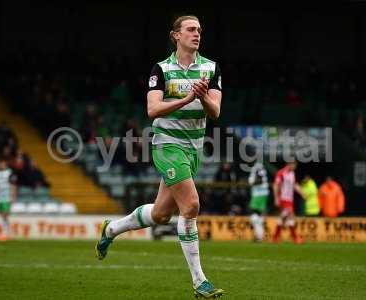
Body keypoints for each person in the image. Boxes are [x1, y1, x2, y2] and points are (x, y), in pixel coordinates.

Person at [95, 15, 224, 298]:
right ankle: (199, 281)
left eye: (199, 30)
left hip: (193, 147)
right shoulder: (161, 70)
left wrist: (202, 97)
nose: (197, 34)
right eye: (191, 29)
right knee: (190, 206)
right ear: (175, 35)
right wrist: (187, 99)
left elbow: (215, 112)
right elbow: (152, 110)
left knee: (161, 214)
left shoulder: (210, 68)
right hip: (167, 145)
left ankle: (111, 229)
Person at [272, 161, 304, 243]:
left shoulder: (292, 173)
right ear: (288, 164)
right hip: (283, 198)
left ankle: (275, 237)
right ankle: (295, 238)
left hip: (290, 199)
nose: (295, 167)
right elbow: (275, 185)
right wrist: (276, 198)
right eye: (293, 165)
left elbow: (294, 185)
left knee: (284, 218)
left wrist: (301, 192)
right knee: (291, 216)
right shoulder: (281, 173)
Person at [0, 159, 17, 242]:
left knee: (5, 214)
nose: (0, 165)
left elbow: (13, 184)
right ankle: (7, 232)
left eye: (2, 163)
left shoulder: (10, 173)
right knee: (2, 215)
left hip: (7, 196)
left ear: (5, 163)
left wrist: (13, 196)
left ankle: (4, 233)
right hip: (0, 197)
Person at [248, 160, 269, 242]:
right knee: (258, 215)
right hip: (261, 193)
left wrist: (252, 182)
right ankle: (259, 235)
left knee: (254, 214)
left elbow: (260, 179)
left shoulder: (257, 167)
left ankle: (259, 236)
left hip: (259, 194)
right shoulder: (259, 167)